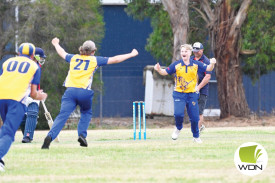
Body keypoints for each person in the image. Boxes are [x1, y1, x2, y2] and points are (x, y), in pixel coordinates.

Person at [41, 37, 138, 149]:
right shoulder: (95, 60)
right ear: (93, 51)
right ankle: (82, 135)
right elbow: (115, 59)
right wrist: (131, 54)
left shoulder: (73, 58)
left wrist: (56, 44)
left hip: (70, 91)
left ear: (81, 49)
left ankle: (50, 136)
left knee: (62, 116)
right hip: (84, 92)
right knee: (86, 112)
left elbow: (62, 52)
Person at [154, 44, 216, 143]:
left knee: (195, 118)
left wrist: (212, 63)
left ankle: (196, 136)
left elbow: (208, 68)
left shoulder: (196, 64)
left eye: (185, 51)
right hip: (179, 93)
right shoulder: (177, 64)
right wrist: (158, 70)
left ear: (190, 53)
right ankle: (178, 128)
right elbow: (165, 72)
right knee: (178, 114)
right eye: (182, 51)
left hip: (192, 94)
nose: (183, 53)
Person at [0, 43, 47, 172]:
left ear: (19, 53)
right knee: (9, 133)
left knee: (5, 130)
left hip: (1, 97)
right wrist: (41, 96)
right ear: (33, 55)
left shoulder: (7, 62)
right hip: (17, 99)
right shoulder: (34, 66)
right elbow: (33, 93)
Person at [20, 47, 47, 143]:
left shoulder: (21, 63)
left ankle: (25, 135)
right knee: (32, 111)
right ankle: (27, 136)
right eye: (40, 57)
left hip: (18, 92)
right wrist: (37, 93)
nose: (41, 60)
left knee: (24, 115)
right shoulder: (35, 66)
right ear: (35, 56)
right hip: (29, 92)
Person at [191, 42, 212, 133]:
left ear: (202, 50)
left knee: (199, 111)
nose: (195, 52)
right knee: (192, 111)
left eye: (197, 50)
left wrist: (198, 87)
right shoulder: (190, 59)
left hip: (202, 90)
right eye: (194, 50)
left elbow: (207, 77)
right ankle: (200, 126)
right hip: (190, 89)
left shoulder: (206, 61)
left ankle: (196, 132)